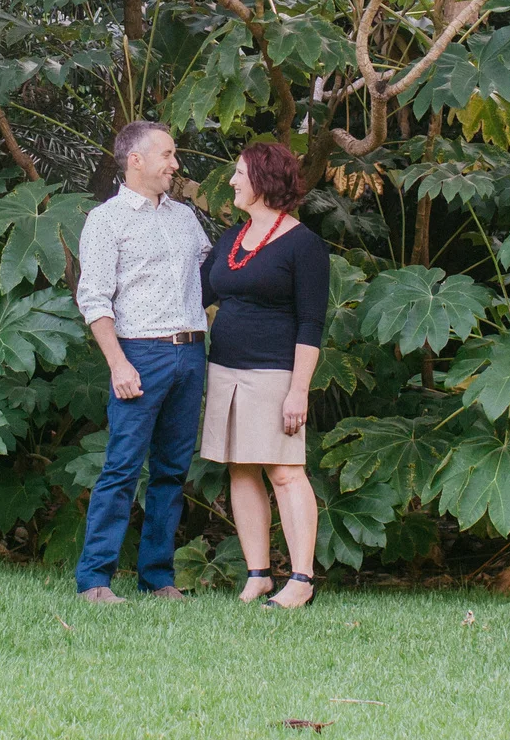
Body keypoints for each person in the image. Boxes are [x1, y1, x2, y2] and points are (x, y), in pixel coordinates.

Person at [72, 120, 211, 603]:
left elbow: (206, 279)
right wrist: (118, 364)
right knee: (122, 468)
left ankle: (158, 577)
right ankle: (94, 580)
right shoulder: (106, 221)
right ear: (136, 161)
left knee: (172, 470)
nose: (175, 164)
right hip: (140, 354)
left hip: (191, 352)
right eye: (167, 155)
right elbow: (94, 299)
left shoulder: (185, 218)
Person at [199, 140, 328, 608]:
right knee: (240, 468)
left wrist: (299, 390)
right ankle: (258, 574)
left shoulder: (304, 244)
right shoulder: (231, 240)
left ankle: (302, 580)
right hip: (224, 370)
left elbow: (312, 322)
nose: (232, 181)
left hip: (276, 374)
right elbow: (198, 294)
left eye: (239, 173)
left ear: (263, 180)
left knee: (285, 471)